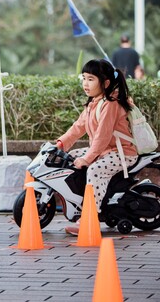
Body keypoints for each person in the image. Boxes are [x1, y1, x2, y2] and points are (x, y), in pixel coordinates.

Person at [56, 59, 138, 235]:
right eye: (84, 78)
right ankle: (82, 203)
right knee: (71, 156)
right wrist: (61, 144)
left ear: (105, 82)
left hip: (121, 153)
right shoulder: (94, 102)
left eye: (91, 79)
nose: (85, 83)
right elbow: (78, 127)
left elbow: (102, 137)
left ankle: (89, 219)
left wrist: (87, 158)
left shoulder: (111, 103)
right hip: (105, 150)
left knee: (95, 170)